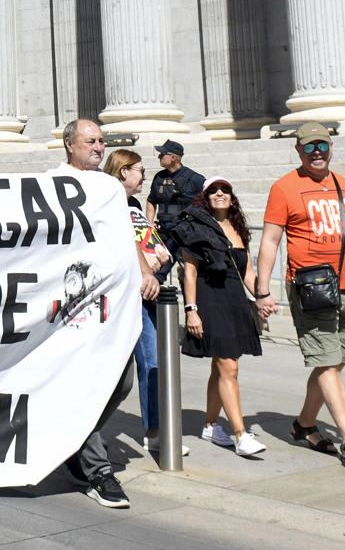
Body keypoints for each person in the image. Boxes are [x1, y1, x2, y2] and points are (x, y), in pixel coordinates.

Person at [255, 123, 345, 471]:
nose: (317, 153)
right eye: (309, 148)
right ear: (298, 151)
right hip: (311, 287)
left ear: (331, 146)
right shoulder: (284, 188)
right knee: (326, 360)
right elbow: (269, 242)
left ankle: (304, 425)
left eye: (322, 145)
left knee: (337, 359)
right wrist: (262, 290)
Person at [50, 119, 152, 507]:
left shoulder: (110, 187)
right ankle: (98, 471)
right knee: (84, 381)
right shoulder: (51, 183)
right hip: (72, 301)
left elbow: (125, 236)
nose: (98, 147)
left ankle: (74, 438)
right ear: (68, 145)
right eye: (90, 141)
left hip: (112, 303)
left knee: (121, 381)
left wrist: (143, 269)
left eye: (102, 141)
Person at [181, 178, 266, 458]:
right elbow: (189, 272)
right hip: (209, 300)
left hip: (234, 302)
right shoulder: (197, 226)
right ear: (205, 197)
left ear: (232, 197)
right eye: (214, 191)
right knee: (229, 366)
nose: (220, 194)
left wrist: (263, 295)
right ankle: (240, 435)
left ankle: (210, 426)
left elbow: (248, 273)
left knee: (221, 367)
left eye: (225, 190)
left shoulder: (239, 229)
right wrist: (191, 310)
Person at [104, 149, 171, 461]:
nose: (145, 176)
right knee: (117, 372)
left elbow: (146, 240)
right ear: (123, 172)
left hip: (147, 291)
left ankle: (156, 432)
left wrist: (158, 260)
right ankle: (88, 434)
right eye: (141, 171)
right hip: (123, 294)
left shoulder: (133, 205)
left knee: (153, 362)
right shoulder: (108, 202)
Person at [145, 139, 204, 271]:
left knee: (192, 273)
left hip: (184, 234)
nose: (159, 157)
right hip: (164, 232)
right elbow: (151, 200)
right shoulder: (159, 177)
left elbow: (206, 201)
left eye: (162, 155)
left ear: (173, 157)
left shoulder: (194, 179)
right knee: (156, 271)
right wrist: (149, 224)